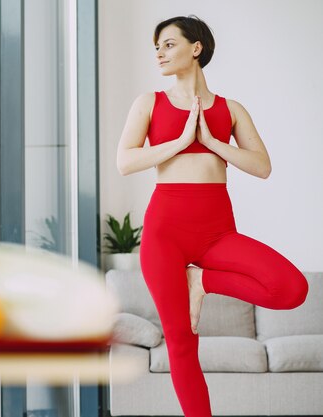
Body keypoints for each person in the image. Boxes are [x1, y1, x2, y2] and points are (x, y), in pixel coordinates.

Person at [116, 15, 309, 416]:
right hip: (165, 233)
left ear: (196, 48)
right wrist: (182, 141)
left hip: (217, 232)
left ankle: (200, 280)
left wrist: (211, 142)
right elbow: (125, 162)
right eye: (157, 46)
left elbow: (262, 166)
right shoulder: (149, 103)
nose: (159, 53)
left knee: (291, 289)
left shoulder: (230, 109)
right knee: (183, 344)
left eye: (169, 44)